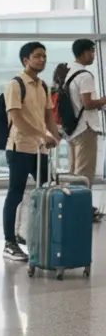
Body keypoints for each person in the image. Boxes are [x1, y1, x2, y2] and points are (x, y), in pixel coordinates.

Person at [2, 41, 60, 263]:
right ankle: (10, 242)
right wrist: (41, 136)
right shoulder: (16, 85)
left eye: (44, 56)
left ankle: (36, 234)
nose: (42, 59)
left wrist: (54, 135)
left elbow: (48, 117)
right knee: (15, 194)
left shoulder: (43, 86)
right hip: (19, 149)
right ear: (26, 60)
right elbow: (17, 119)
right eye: (37, 56)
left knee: (48, 191)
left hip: (40, 149)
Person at [63, 39, 105, 219]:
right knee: (84, 174)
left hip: (72, 129)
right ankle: (80, 211)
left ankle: (72, 207)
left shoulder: (68, 72)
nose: (94, 55)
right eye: (92, 52)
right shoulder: (85, 75)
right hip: (85, 128)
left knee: (74, 172)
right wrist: (103, 100)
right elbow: (87, 104)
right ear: (83, 53)